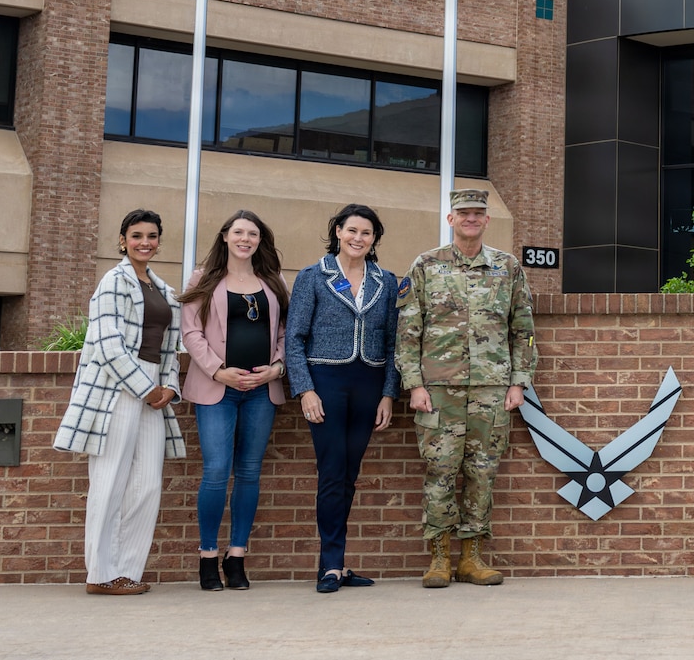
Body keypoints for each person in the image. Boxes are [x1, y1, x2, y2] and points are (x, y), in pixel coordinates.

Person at [396, 187, 537, 589]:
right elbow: (408, 332)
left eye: (478, 213)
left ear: (487, 220)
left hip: (493, 390)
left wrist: (518, 382)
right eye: (464, 213)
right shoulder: (426, 265)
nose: (471, 219)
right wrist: (414, 385)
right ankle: (439, 558)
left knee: (482, 473)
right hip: (438, 390)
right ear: (451, 219)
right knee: (439, 472)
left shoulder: (507, 268)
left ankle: (471, 557)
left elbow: (523, 331)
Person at [54, 208, 183, 595]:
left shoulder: (165, 291)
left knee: (146, 486)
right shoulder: (112, 281)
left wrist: (169, 388)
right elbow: (108, 345)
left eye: (152, 236)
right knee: (109, 483)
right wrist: (145, 389)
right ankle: (100, 574)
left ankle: (127, 571)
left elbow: (171, 350)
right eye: (137, 235)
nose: (145, 242)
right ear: (124, 239)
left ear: (159, 241)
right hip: (118, 391)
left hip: (155, 392)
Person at [285, 203, 398, 594]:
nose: (358, 238)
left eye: (366, 233)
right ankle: (331, 565)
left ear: (374, 239)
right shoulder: (313, 276)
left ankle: (335, 562)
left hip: (369, 382)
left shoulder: (385, 281)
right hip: (326, 382)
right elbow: (294, 338)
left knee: (350, 474)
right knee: (332, 473)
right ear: (338, 232)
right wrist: (305, 389)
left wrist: (388, 394)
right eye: (352, 230)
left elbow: (392, 342)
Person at [179, 209, 289, 591]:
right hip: (217, 390)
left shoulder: (273, 282)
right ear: (225, 236)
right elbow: (191, 332)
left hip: (261, 391)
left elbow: (286, 332)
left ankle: (237, 555)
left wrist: (277, 367)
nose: (246, 239)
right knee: (215, 472)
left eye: (253, 234)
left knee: (248, 474)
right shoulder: (204, 279)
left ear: (260, 240)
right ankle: (208, 556)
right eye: (239, 232)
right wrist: (217, 370)